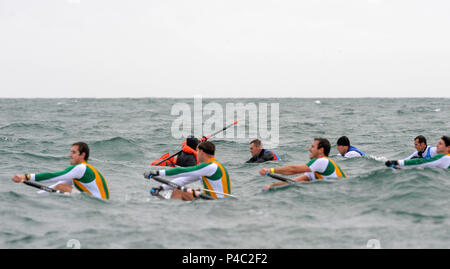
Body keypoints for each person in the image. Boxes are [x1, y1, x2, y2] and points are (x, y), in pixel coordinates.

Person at [11, 142, 110, 200]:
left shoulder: (81, 168)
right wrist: (37, 196)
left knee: (62, 188)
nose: (69, 155)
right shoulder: (84, 170)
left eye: (73, 152)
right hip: (100, 205)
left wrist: (26, 177)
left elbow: (53, 176)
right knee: (61, 187)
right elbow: (57, 184)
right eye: (70, 152)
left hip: (96, 204)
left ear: (82, 155)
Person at [146, 141, 231, 201]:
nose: (196, 154)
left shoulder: (211, 166)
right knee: (179, 189)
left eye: (197, 152)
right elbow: (183, 179)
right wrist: (161, 188)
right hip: (212, 200)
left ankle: (172, 216)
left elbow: (183, 171)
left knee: (179, 191)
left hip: (217, 203)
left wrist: (157, 172)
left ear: (201, 151)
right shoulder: (210, 166)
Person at [260, 138, 347, 191]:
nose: (309, 149)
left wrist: (270, 170)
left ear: (321, 150)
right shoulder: (315, 169)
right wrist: (271, 187)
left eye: (313, 147)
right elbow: (293, 181)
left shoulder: (322, 161)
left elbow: (294, 170)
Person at [385, 136, 450, 169]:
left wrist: (396, 162)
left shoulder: (434, 150)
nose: (415, 147)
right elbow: (407, 160)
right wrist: (394, 165)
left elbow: (421, 162)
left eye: (416, 145)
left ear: (422, 144)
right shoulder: (417, 153)